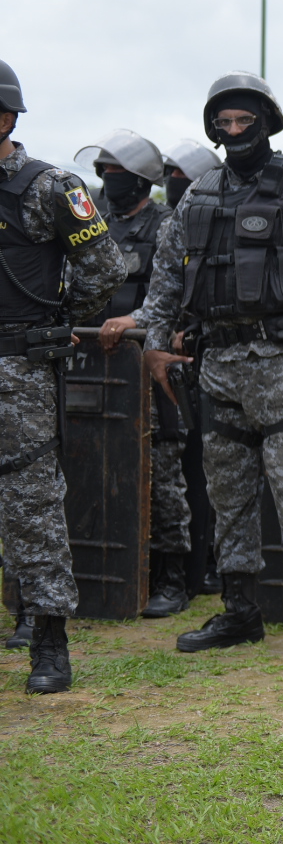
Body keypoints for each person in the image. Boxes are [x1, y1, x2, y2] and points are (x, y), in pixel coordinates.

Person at [134, 72, 283, 659]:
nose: (235, 131)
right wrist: (155, 342)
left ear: (268, 123)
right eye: (225, 123)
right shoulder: (197, 192)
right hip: (219, 363)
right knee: (227, 492)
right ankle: (240, 611)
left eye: (245, 121)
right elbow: (166, 271)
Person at [0, 59, 126, 693]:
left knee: (31, 505)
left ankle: (48, 642)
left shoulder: (49, 188)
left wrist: (55, 320)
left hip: (18, 368)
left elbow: (105, 267)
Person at [81, 130, 192, 619]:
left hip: (151, 363)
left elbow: (178, 292)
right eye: (103, 172)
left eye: (117, 173)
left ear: (143, 179)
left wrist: (139, 323)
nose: (108, 180)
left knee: (163, 473)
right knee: (97, 464)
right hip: (98, 366)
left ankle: (172, 578)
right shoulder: (98, 225)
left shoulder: (169, 224)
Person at [162, 140, 222, 208]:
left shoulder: (219, 216)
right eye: (170, 171)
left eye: (182, 172)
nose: (173, 175)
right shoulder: (157, 216)